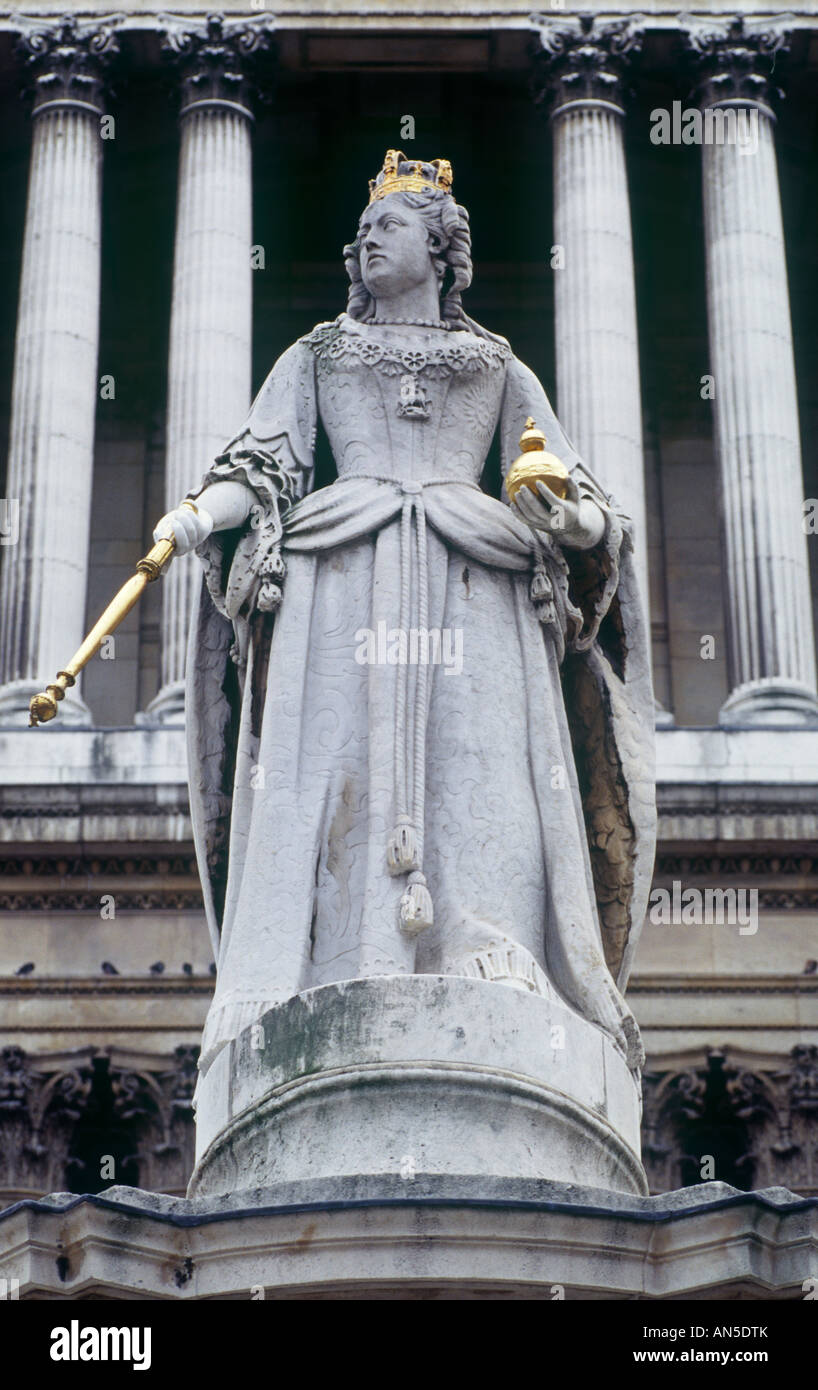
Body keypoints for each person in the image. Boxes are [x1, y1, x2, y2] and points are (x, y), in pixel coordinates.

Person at [154, 150, 656, 1080]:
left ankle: (490, 943)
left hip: (476, 571)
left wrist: (568, 518)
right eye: (362, 229)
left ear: (438, 244)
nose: (365, 240)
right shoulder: (317, 354)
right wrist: (193, 518)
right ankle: (334, 958)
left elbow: (580, 499)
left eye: (386, 225)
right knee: (330, 760)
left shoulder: (494, 365)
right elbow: (259, 465)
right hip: (344, 571)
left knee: (484, 764)